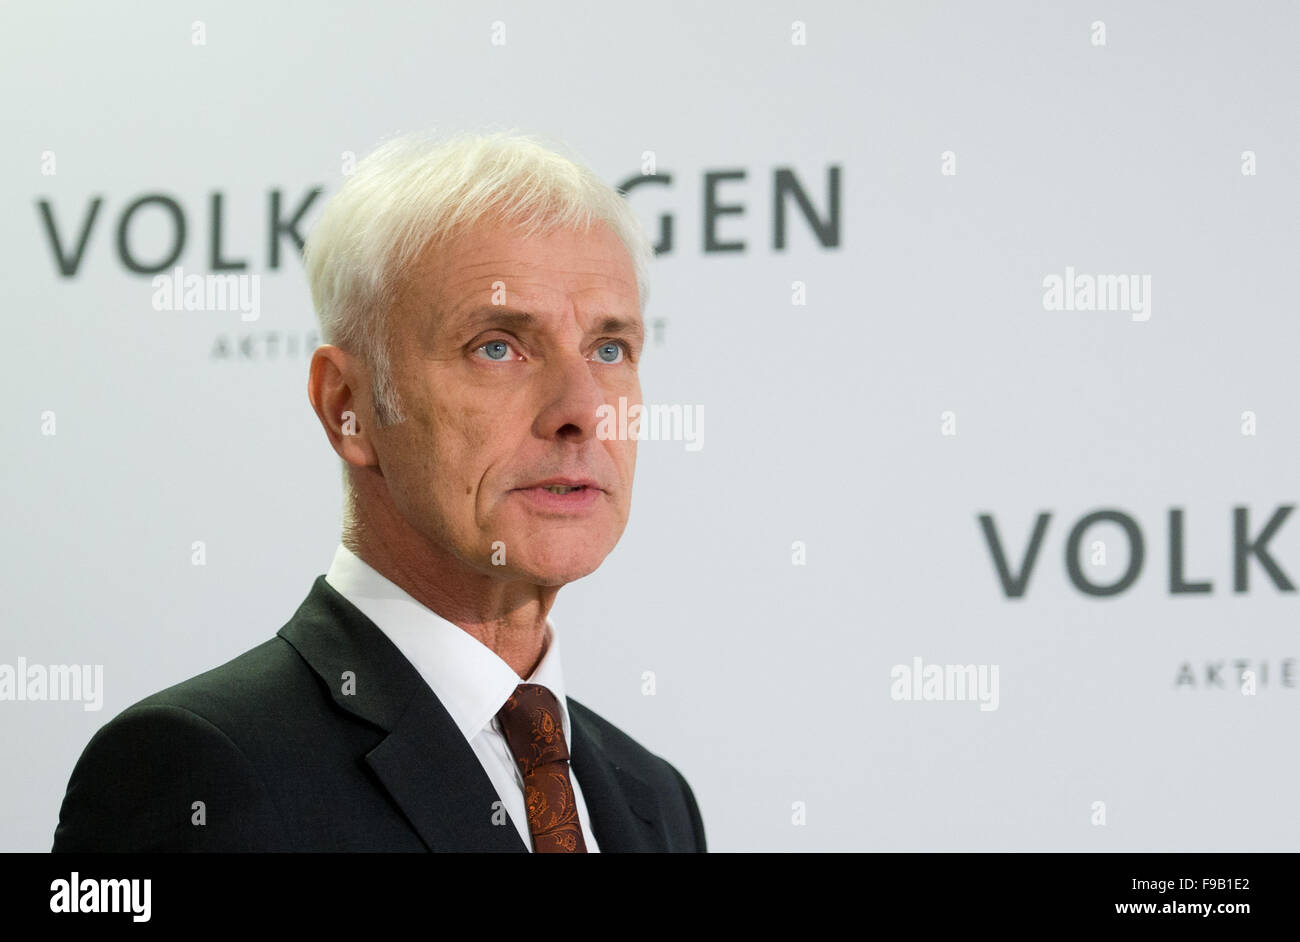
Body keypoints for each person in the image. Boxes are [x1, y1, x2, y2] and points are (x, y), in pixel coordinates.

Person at [51, 130, 706, 853]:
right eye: (497, 346)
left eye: (609, 349)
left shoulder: (654, 800)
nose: (582, 411)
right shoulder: (199, 770)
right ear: (347, 406)